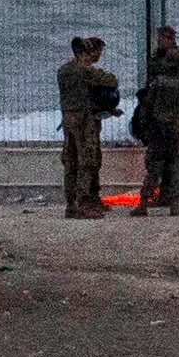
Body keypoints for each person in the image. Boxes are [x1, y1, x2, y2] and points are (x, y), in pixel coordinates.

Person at [138, 26, 179, 214]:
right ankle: (168, 198)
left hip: (173, 118)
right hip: (171, 120)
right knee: (169, 162)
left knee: (178, 161)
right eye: (161, 37)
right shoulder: (155, 59)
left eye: (166, 37)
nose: (162, 40)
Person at [55, 36, 119, 219]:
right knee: (87, 160)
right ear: (82, 53)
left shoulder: (63, 71)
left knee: (70, 160)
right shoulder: (85, 71)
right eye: (89, 54)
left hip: (68, 120)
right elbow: (111, 81)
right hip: (84, 121)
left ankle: (71, 204)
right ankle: (84, 203)